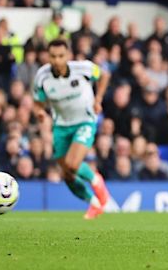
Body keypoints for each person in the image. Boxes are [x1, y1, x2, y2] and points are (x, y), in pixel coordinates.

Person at [33, 39, 111, 219]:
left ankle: (96, 181)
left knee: (72, 165)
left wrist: (98, 99)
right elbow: (38, 103)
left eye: (61, 56)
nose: (57, 60)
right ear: (48, 56)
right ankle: (94, 203)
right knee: (67, 175)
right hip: (61, 125)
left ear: (68, 56)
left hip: (85, 120)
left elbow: (104, 75)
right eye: (53, 56)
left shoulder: (83, 68)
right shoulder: (42, 76)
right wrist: (40, 113)